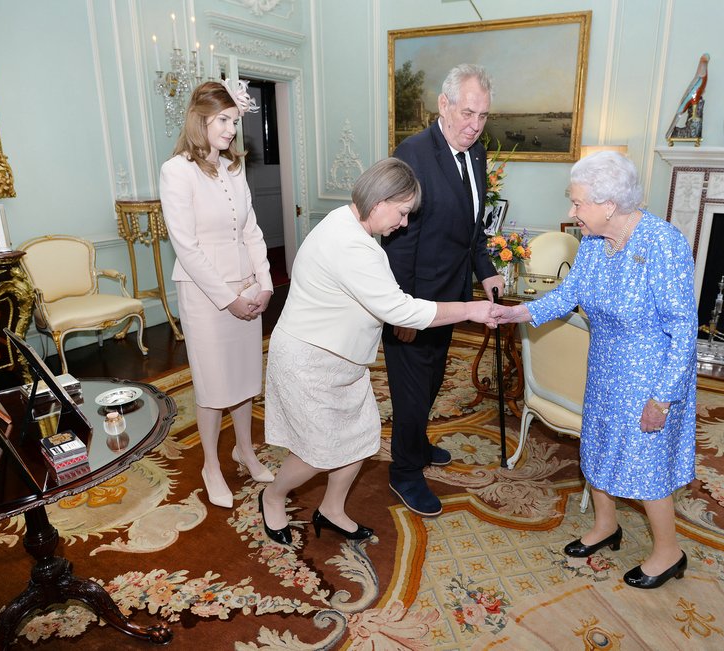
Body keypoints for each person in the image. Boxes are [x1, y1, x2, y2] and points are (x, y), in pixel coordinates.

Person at [258, 158, 496, 546]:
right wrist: (471, 308)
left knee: (359, 439)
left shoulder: (346, 223)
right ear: (380, 200)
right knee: (317, 452)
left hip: (342, 360)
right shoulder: (352, 244)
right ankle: (272, 495)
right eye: (402, 213)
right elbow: (400, 310)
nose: (403, 223)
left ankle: (332, 509)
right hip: (310, 360)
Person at [493, 151, 697, 589]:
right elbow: (568, 296)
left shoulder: (663, 243)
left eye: (577, 202)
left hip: (650, 377)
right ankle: (606, 525)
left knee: (647, 464)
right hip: (605, 366)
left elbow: (684, 329)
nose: (571, 212)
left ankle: (669, 552)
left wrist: (664, 396)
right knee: (599, 446)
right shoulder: (593, 244)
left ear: (608, 205)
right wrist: (519, 313)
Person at [381, 64, 504, 517]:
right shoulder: (412, 154)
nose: (475, 126)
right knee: (410, 388)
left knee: (430, 380)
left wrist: (485, 269)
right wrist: (402, 313)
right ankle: (405, 472)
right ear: (444, 105)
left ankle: (417, 441)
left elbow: (472, 229)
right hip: (414, 299)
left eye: (484, 116)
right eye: (468, 113)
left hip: (452, 298)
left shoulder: (475, 153)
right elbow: (396, 242)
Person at [160, 79, 275, 510]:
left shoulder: (233, 169)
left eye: (235, 121)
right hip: (206, 296)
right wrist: (228, 298)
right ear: (201, 118)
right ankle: (211, 464)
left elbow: (250, 230)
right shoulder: (177, 171)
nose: (231, 130)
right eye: (224, 120)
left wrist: (263, 283)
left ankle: (245, 450)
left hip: (247, 285)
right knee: (212, 386)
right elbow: (185, 245)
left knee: (244, 379)